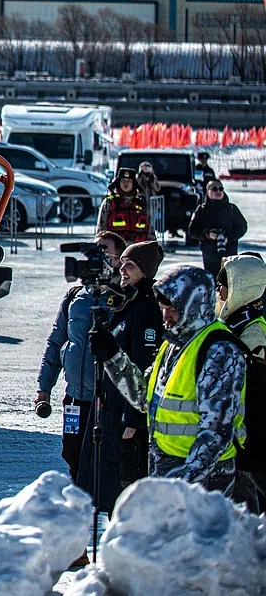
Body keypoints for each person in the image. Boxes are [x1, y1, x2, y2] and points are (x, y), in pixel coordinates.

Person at [92, 265, 247, 494]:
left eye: (173, 309)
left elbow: (216, 433)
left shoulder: (219, 350)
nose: (166, 317)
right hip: (165, 468)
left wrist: (182, 482)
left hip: (204, 480)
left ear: (194, 304)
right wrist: (113, 357)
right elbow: (144, 398)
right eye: (163, 308)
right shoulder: (173, 344)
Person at [76, 240, 166, 513]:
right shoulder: (125, 300)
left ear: (146, 271)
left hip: (125, 409)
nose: (123, 270)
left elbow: (143, 365)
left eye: (131, 265)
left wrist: (133, 418)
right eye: (123, 263)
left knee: (118, 482)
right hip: (109, 403)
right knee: (95, 478)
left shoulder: (148, 308)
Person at [38, 232, 127, 483]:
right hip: (75, 396)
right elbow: (56, 341)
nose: (99, 256)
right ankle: (81, 504)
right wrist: (44, 387)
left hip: (106, 398)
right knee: (72, 451)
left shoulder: (123, 298)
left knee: (103, 457)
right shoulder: (75, 296)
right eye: (95, 250)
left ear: (119, 258)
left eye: (105, 250)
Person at [215, 255, 266, 512]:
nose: (218, 291)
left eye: (223, 284)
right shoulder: (234, 322)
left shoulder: (253, 330)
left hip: (253, 440)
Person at [187, 180, 247, 275]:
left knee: (229, 284)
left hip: (229, 254)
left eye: (221, 188)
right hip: (210, 255)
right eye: (214, 189)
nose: (218, 191)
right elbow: (192, 230)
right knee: (213, 283)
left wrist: (229, 237)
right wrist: (207, 234)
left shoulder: (231, 209)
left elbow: (242, 227)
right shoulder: (201, 210)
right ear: (207, 191)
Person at [97, 168, 151, 244]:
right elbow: (101, 227)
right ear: (118, 182)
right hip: (116, 248)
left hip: (138, 248)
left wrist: (153, 248)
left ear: (134, 183)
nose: (126, 184)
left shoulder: (142, 203)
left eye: (129, 181)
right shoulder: (109, 202)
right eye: (123, 181)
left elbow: (150, 229)